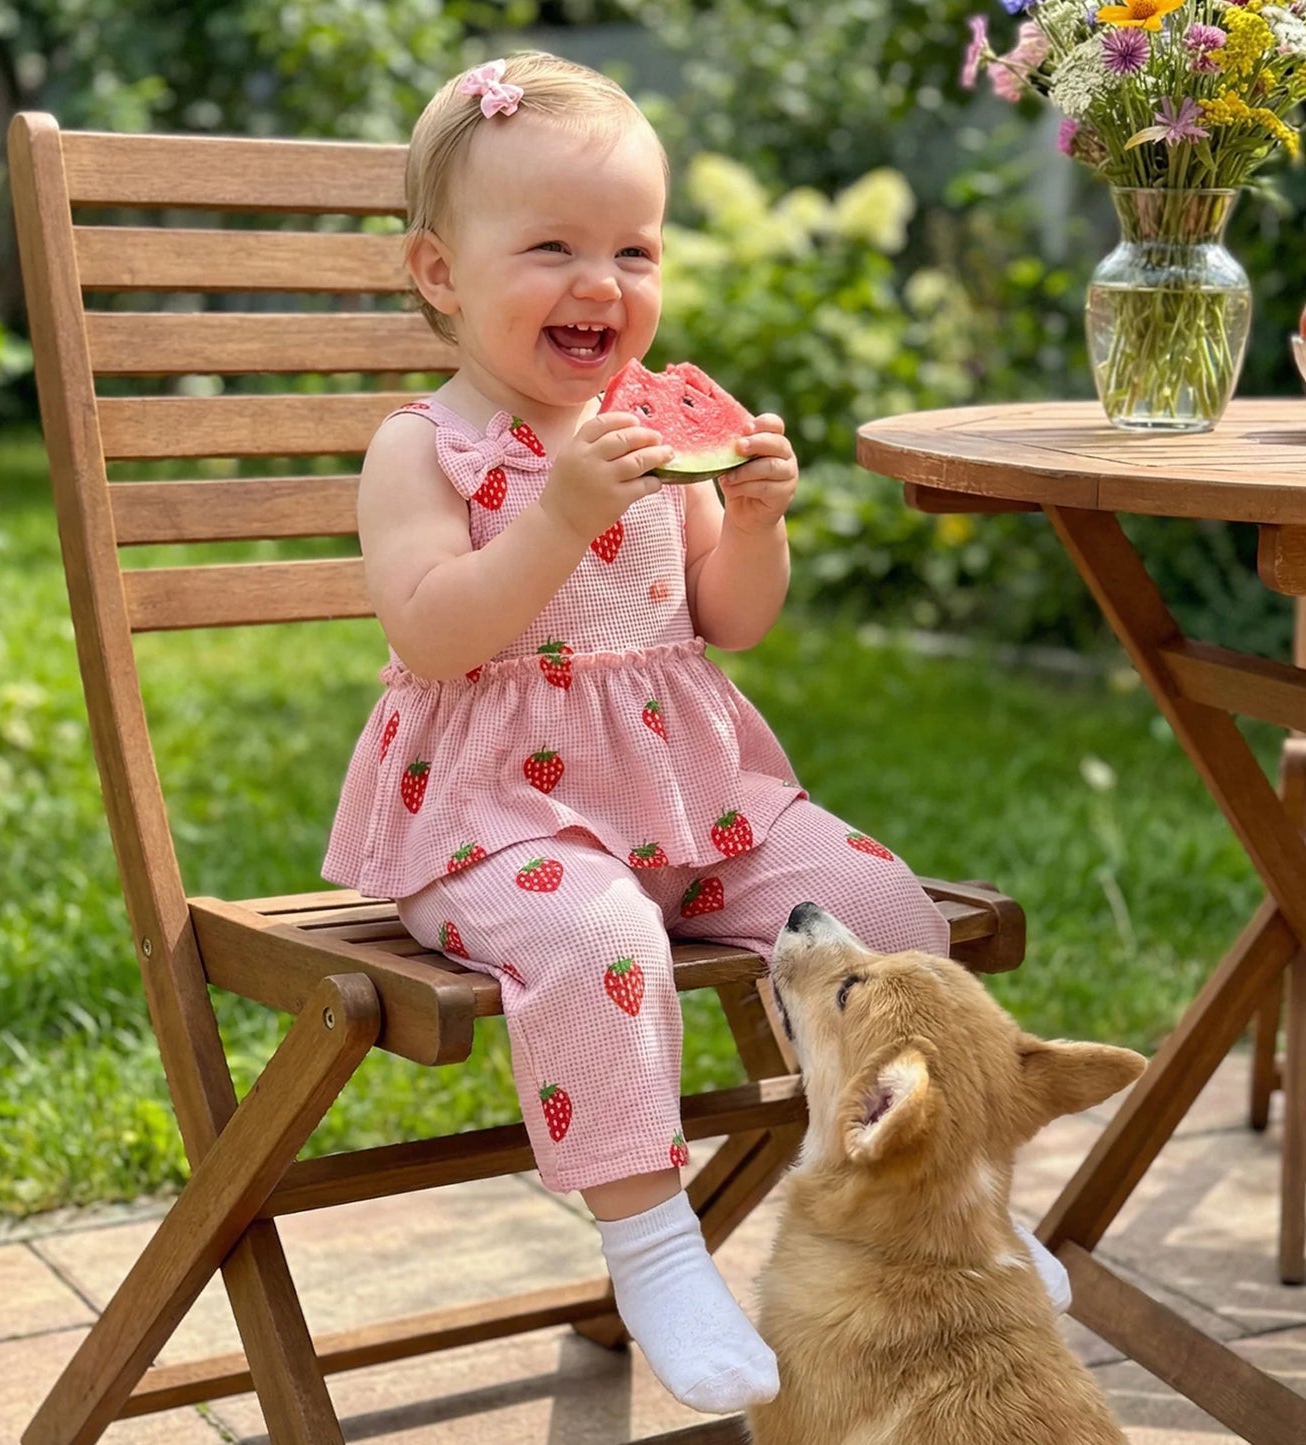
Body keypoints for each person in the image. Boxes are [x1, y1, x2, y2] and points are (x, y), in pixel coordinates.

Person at [324, 50, 1067, 1415]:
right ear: (439, 272)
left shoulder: (658, 431)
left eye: (633, 247)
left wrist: (762, 520)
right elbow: (434, 632)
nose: (602, 282)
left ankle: (936, 1195)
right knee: (595, 936)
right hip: (497, 825)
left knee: (875, 901)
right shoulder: (422, 448)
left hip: (693, 803)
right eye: (550, 246)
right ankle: (653, 1241)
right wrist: (554, 515)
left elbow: (731, 619)